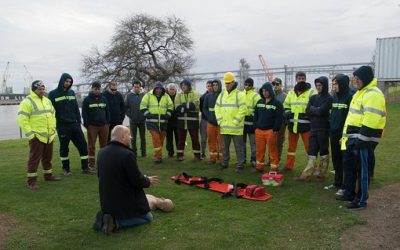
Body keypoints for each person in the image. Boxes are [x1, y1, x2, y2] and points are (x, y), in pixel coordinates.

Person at [94, 125, 159, 234]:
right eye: (129, 134)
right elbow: (136, 181)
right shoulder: (127, 154)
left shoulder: (102, 152)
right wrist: (147, 181)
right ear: (123, 137)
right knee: (148, 218)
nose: (131, 137)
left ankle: (108, 218)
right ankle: (115, 223)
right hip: (121, 199)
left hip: (107, 201)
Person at [340, 66, 386, 209]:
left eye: (357, 78)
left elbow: (371, 118)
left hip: (363, 139)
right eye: (354, 78)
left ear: (365, 78)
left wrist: (363, 140)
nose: (355, 80)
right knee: (350, 167)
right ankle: (350, 193)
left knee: (363, 171)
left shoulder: (373, 94)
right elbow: (352, 117)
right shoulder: (360, 93)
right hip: (353, 137)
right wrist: (345, 137)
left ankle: (361, 200)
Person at [17, 80, 61, 189]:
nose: (42, 91)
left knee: (48, 157)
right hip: (36, 136)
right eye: (39, 89)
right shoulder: (27, 101)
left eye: (43, 88)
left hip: (49, 135)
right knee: (34, 159)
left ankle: (48, 176)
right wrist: (31, 135)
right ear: (34, 89)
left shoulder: (47, 101)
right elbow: (22, 119)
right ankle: (31, 181)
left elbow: (53, 115)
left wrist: (53, 129)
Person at [48, 73, 90, 175]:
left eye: (70, 82)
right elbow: (50, 111)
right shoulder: (53, 94)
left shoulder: (71, 92)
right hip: (62, 126)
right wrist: (56, 124)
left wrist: (78, 121)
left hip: (75, 125)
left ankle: (85, 168)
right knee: (64, 148)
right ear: (62, 81)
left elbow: (76, 108)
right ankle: (66, 169)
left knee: (83, 146)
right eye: (66, 81)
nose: (68, 83)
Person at [296, 76, 332, 181]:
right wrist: (316, 110)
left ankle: (322, 173)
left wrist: (314, 110)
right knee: (312, 151)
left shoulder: (329, 98)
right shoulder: (313, 97)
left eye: (320, 85)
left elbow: (322, 111)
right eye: (316, 85)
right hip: (313, 128)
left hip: (324, 128)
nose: (318, 87)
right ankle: (307, 174)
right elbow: (308, 111)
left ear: (324, 85)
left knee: (324, 151)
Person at [280, 71, 316, 172]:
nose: (301, 80)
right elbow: (286, 106)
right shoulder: (291, 93)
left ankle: (313, 167)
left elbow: (315, 106)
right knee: (291, 148)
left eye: (303, 78)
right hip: (293, 125)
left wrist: (309, 114)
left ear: (305, 79)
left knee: (309, 148)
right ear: (296, 80)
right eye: (299, 78)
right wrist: (287, 113)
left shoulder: (312, 92)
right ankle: (288, 166)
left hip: (306, 126)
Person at [325, 74, 353, 194]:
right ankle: (337, 182)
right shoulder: (334, 96)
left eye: (336, 83)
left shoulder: (350, 97)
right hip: (334, 132)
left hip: (344, 134)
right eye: (333, 83)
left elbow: (350, 117)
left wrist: (345, 133)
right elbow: (333, 114)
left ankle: (345, 185)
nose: (334, 86)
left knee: (345, 160)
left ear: (342, 84)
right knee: (336, 158)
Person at [214, 72, 247, 172]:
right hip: (224, 126)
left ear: (233, 82)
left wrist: (236, 121)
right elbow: (217, 107)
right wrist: (220, 121)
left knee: (239, 148)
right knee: (224, 147)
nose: (227, 85)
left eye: (229, 83)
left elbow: (243, 109)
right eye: (226, 83)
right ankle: (225, 162)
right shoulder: (222, 94)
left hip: (236, 128)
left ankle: (240, 165)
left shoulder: (239, 94)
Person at [140, 82, 173, 163]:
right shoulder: (148, 95)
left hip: (163, 122)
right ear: (154, 89)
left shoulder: (166, 96)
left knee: (161, 140)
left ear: (162, 89)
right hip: (152, 122)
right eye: (157, 89)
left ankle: (158, 154)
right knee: (156, 139)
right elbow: (142, 106)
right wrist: (148, 115)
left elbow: (171, 106)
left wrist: (167, 115)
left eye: (160, 89)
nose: (158, 90)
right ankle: (158, 157)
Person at [253, 82, 283, 173]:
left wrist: (275, 129)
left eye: (266, 91)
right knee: (259, 150)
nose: (265, 93)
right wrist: (256, 127)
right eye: (263, 91)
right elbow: (255, 116)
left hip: (270, 131)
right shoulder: (259, 102)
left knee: (272, 151)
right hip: (259, 131)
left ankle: (274, 168)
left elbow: (279, 118)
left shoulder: (277, 104)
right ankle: (259, 167)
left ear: (270, 91)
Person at [82, 82, 110, 172]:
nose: (97, 91)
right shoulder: (87, 100)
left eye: (98, 89)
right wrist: (88, 125)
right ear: (92, 89)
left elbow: (107, 111)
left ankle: (103, 163)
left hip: (103, 126)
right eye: (95, 89)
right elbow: (84, 114)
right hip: (92, 126)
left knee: (104, 146)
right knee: (91, 146)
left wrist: (107, 123)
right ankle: (91, 165)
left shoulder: (104, 99)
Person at [175, 79, 201, 161]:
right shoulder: (178, 94)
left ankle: (197, 156)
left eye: (184, 85)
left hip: (193, 121)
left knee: (195, 139)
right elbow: (177, 107)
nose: (183, 87)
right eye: (182, 86)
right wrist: (186, 107)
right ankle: (179, 155)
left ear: (189, 86)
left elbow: (194, 105)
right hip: (181, 122)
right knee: (181, 140)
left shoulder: (195, 93)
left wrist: (183, 107)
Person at [203, 79, 223, 164]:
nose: (215, 86)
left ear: (219, 86)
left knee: (222, 142)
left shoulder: (223, 96)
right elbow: (204, 108)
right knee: (211, 141)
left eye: (216, 85)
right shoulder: (208, 96)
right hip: (210, 123)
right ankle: (212, 158)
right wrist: (209, 118)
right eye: (213, 85)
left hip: (221, 123)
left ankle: (222, 159)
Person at [243, 78, 261, 168]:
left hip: (252, 124)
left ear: (252, 85)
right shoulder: (240, 94)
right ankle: (243, 159)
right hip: (242, 124)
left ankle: (254, 159)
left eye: (249, 85)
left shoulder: (256, 96)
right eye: (246, 84)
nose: (247, 86)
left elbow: (258, 110)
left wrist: (251, 116)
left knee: (253, 144)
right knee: (242, 144)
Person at [125, 80, 146, 157]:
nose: (136, 88)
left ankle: (144, 153)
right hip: (133, 120)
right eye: (135, 87)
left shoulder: (144, 95)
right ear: (133, 87)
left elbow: (147, 106)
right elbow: (125, 107)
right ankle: (134, 152)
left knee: (143, 138)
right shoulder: (129, 95)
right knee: (132, 138)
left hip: (142, 120)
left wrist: (144, 116)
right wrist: (130, 115)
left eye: (138, 87)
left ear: (140, 87)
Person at [272, 77, 287, 163]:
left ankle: (277, 159)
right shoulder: (271, 95)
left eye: (277, 84)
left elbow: (287, 110)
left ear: (281, 85)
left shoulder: (285, 96)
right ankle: (271, 158)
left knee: (279, 142)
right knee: (271, 141)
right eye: (274, 84)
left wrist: (284, 120)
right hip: (271, 122)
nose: (275, 86)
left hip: (281, 122)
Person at [199, 80, 213, 159]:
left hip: (214, 120)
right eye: (208, 86)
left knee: (214, 138)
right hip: (204, 120)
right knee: (203, 138)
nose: (210, 88)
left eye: (211, 86)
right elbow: (201, 109)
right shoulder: (203, 97)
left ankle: (215, 154)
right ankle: (203, 153)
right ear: (206, 87)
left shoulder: (217, 96)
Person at [165, 83, 179, 158]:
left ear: (175, 89)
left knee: (178, 138)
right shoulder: (165, 97)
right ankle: (170, 153)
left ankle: (179, 152)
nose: (172, 90)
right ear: (168, 90)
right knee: (169, 138)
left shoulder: (178, 96)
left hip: (177, 121)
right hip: (168, 121)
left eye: (173, 89)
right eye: (170, 89)